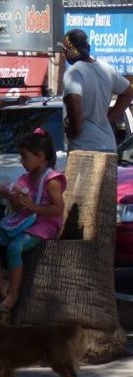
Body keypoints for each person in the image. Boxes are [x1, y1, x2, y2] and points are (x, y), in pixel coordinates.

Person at [0, 128, 66, 312]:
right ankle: (4, 282)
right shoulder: (25, 179)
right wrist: (12, 197)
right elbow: (19, 209)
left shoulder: (52, 180)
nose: (22, 162)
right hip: (26, 220)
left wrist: (33, 207)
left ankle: (13, 295)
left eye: (24, 157)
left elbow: (58, 209)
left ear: (40, 156)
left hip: (45, 224)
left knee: (15, 248)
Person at [62, 28, 133, 153]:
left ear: (70, 51)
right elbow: (129, 93)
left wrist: (74, 132)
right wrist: (108, 119)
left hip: (85, 147)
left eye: (65, 51)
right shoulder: (106, 69)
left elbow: (75, 102)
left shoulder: (74, 72)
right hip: (108, 144)